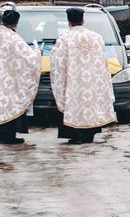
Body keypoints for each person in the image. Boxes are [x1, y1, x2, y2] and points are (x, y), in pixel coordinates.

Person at [50, 7, 116, 144]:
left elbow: (58, 63)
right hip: (92, 81)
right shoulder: (97, 37)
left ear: (68, 22)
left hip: (73, 83)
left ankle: (75, 136)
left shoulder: (64, 38)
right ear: (83, 20)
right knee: (90, 104)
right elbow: (103, 62)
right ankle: (89, 134)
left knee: (74, 105)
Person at [0, 8, 39, 145]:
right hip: (11, 81)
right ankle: (9, 137)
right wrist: (37, 53)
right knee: (11, 106)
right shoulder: (14, 39)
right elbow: (29, 59)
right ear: (16, 23)